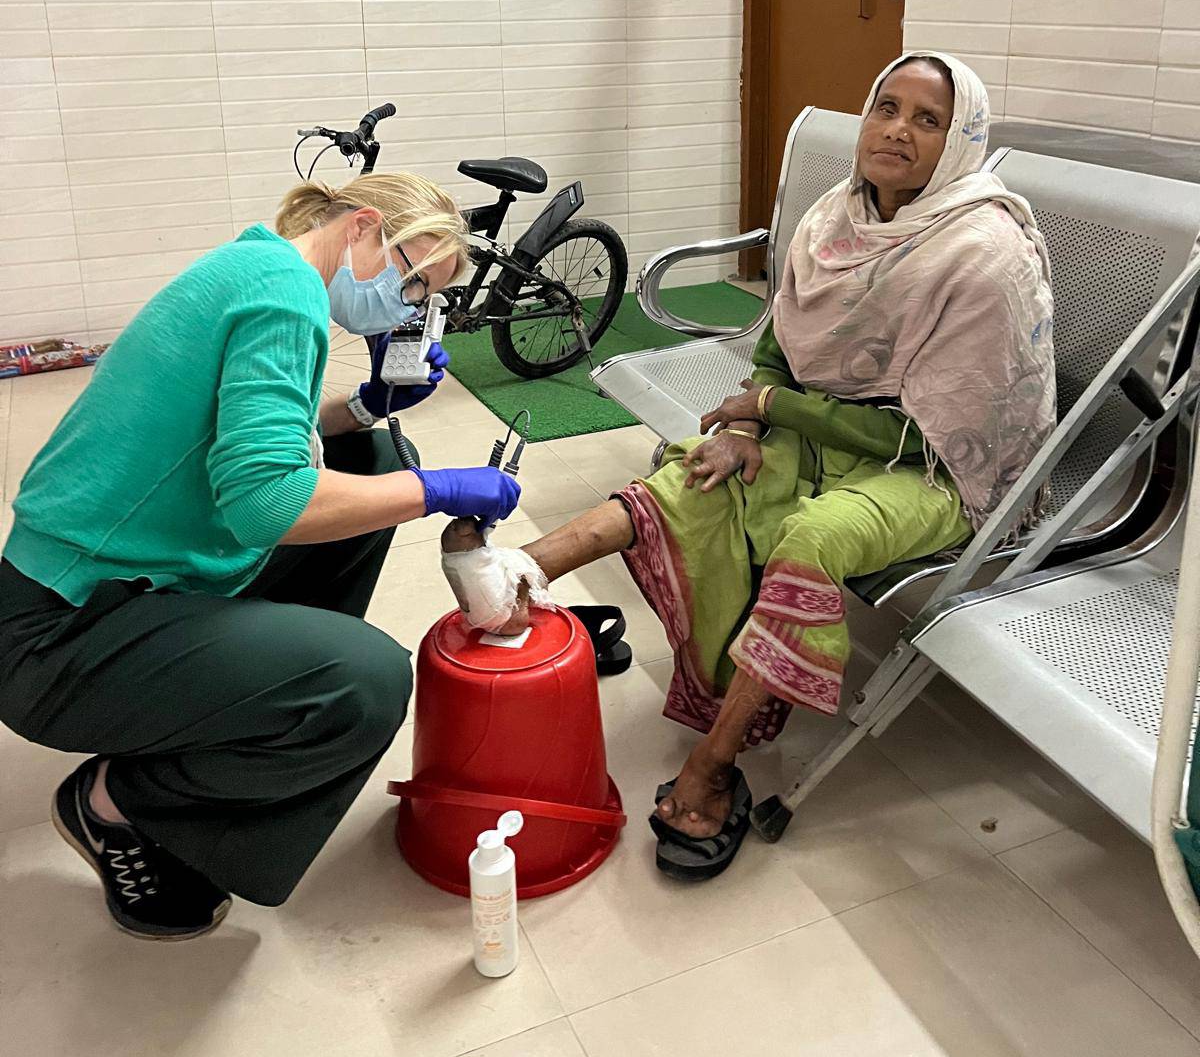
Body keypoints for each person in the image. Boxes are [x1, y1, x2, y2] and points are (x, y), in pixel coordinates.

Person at [441, 51, 1056, 880]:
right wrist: (753, 424)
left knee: (811, 537)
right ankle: (515, 572)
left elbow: (922, 433)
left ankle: (715, 764)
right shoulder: (834, 220)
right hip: (824, 432)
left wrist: (770, 412)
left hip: (938, 467)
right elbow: (778, 342)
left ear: (959, 143)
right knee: (696, 469)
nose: (897, 132)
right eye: (887, 107)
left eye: (928, 120)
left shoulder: (984, 251)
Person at [0, 172, 522, 939]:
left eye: (424, 302)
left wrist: (367, 408)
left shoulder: (261, 267)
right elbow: (268, 500)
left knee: (368, 458)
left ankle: (241, 694)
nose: (411, 311)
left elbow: (255, 440)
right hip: (56, 636)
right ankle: (117, 802)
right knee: (364, 679)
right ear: (363, 227)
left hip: (108, 588)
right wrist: (438, 488)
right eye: (413, 282)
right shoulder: (286, 293)